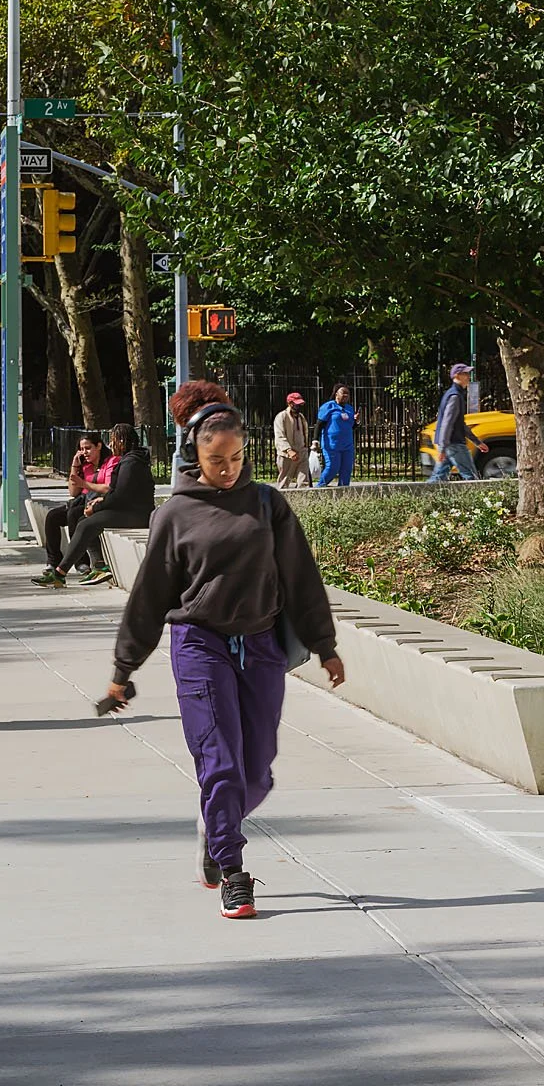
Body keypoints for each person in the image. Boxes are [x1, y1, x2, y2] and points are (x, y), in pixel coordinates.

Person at [105, 391, 344, 919]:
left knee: (257, 773)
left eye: (237, 458)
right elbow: (149, 598)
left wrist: (325, 645)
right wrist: (123, 670)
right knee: (221, 763)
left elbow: (301, 578)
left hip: (259, 645)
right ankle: (233, 869)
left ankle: (216, 825)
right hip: (199, 645)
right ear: (194, 455)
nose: (229, 469)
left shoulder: (267, 503)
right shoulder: (175, 514)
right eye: (217, 461)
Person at [35, 423, 156, 586]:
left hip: (137, 515)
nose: (111, 445)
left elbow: (120, 495)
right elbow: (119, 492)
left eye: (113, 440)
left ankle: (60, 573)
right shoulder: (130, 460)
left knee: (87, 524)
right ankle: (98, 567)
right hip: (129, 510)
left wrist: (98, 506)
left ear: (122, 440)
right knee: (84, 521)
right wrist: (100, 501)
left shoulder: (131, 462)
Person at [37, 431, 110, 579]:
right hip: (81, 500)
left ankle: (81, 562)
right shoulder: (85, 465)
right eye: (82, 449)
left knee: (74, 515)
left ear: (99, 446)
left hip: (96, 502)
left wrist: (85, 484)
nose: (85, 452)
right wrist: (74, 466)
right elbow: (73, 491)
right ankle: (53, 561)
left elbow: (108, 487)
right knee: (53, 517)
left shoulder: (108, 463)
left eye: (88, 448)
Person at [428, 363, 483, 482]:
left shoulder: (453, 394)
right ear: (457, 376)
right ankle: (477, 500)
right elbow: (447, 423)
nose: (468, 376)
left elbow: (459, 424)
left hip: (449, 443)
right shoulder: (455, 396)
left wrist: (477, 442)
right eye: (465, 374)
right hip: (454, 443)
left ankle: (421, 497)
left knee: (438, 478)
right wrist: (442, 448)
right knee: (471, 476)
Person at [316, 386, 358, 489]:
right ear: (336, 394)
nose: (346, 395)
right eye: (343, 393)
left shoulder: (349, 408)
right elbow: (319, 424)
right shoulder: (328, 406)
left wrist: (356, 422)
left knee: (346, 469)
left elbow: (351, 426)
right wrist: (315, 440)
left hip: (347, 445)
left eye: (347, 393)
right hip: (332, 444)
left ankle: (343, 491)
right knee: (332, 468)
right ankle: (320, 487)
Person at [273, 392, 313, 490]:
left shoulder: (301, 417)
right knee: (285, 481)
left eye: (300, 404)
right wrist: (288, 450)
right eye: (296, 404)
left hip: (302, 452)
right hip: (287, 455)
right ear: (290, 403)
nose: (299, 406)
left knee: (304, 481)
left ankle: (303, 501)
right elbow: (279, 436)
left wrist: (306, 447)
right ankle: (282, 502)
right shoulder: (281, 417)